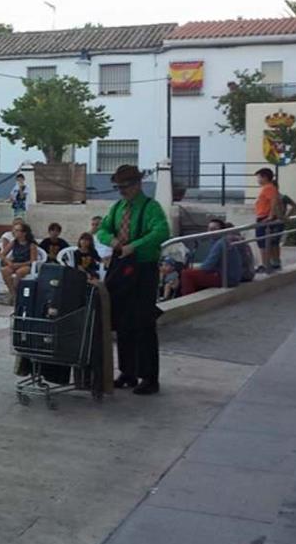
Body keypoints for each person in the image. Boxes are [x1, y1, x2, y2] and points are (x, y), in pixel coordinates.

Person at [96, 164, 169, 396]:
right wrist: (115, 243)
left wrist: (133, 246)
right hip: (120, 266)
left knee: (144, 322)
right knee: (121, 320)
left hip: (143, 269)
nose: (121, 191)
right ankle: (127, 372)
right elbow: (102, 230)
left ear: (137, 184)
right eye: (118, 187)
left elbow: (161, 232)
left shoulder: (151, 208)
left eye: (125, 186)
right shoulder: (117, 208)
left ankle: (149, 377)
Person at [179, 219, 243, 295]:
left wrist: (196, 269)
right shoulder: (221, 241)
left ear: (221, 230)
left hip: (227, 278)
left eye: (214, 229)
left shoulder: (220, 243)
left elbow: (207, 266)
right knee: (192, 274)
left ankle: (188, 300)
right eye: (209, 229)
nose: (210, 231)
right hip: (230, 276)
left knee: (186, 274)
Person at [254, 167, 285, 273]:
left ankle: (265, 265)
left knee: (263, 243)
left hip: (264, 217)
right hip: (263, 216)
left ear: (265, 177)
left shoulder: (268, 188)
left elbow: (274, 201)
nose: (258, 180)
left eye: (259, 177)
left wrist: (271, 215)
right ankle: (268, 264)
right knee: (265, 243)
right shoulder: (268, 188)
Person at [0, 222, 40, 302]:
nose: (14, 232)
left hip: (26, 265)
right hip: (14, 263)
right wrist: (8, 262)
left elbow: (33, 260)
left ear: (24, 233)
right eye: (14, 230)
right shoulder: (14, 242)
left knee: (19, 272)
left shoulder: (31, 245)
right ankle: (13, 294)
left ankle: (17, 292)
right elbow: (2, 254)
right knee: (5, 271)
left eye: (17, 230)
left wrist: (18, 265)